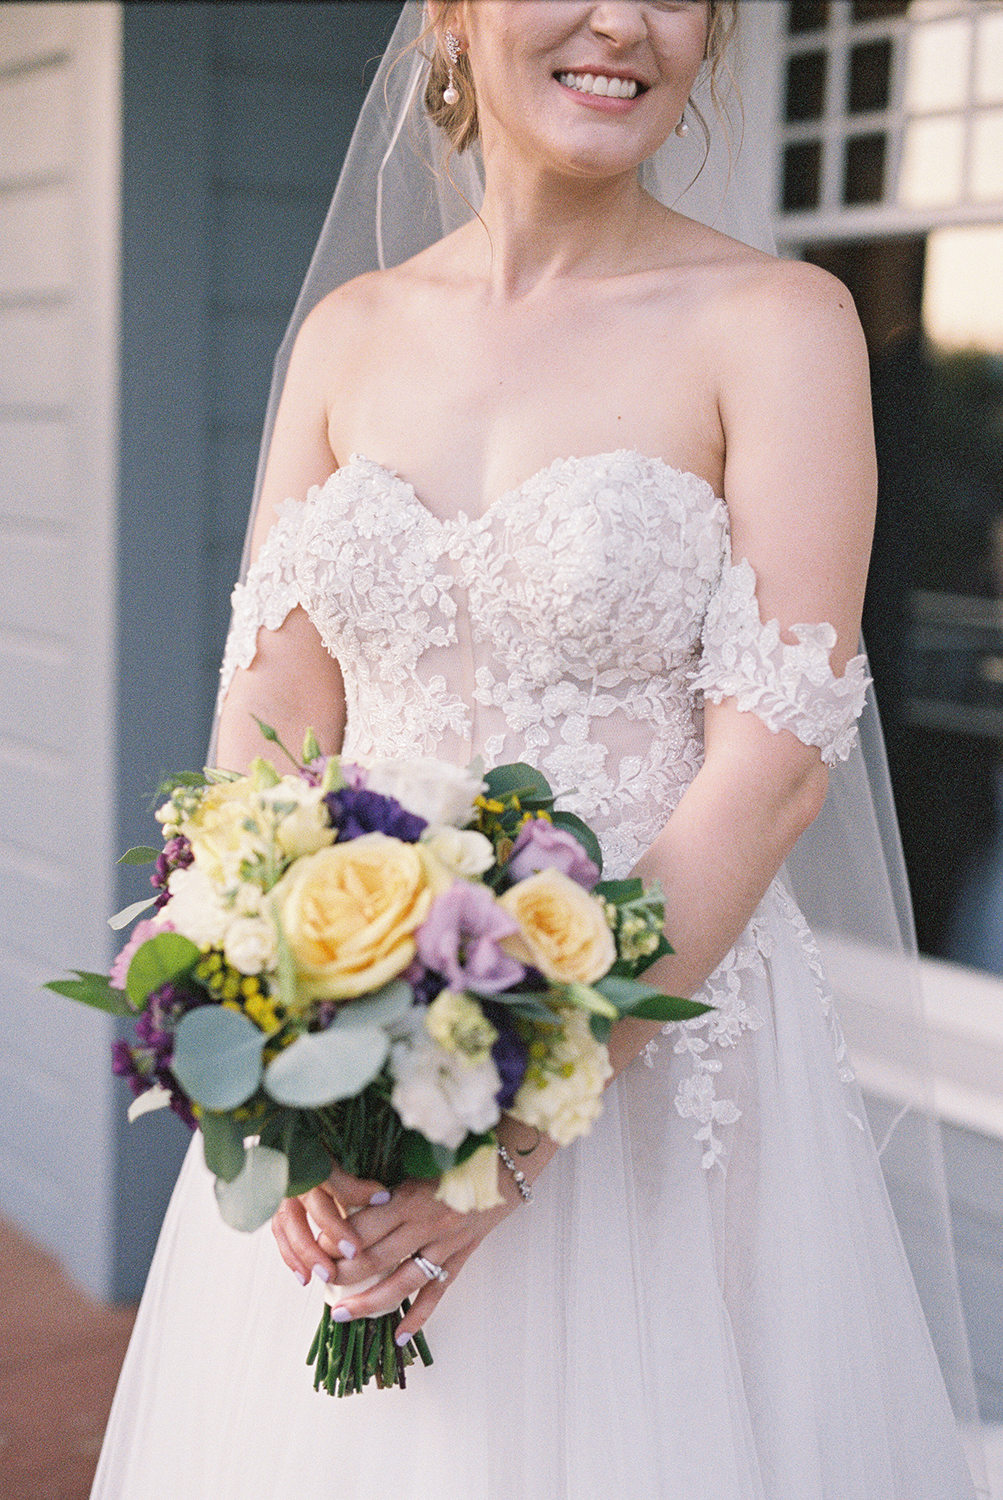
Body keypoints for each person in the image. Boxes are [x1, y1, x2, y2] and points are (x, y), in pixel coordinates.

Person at [92, 4, 986, 1497]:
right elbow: (264, 736)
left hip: (651, 1088)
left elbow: (770, 776)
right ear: (450, 13)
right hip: (353, 1083)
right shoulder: (347, 336)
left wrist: (510, 1131)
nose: (627, 23)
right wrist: (278, 1077)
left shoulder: (779, 326)